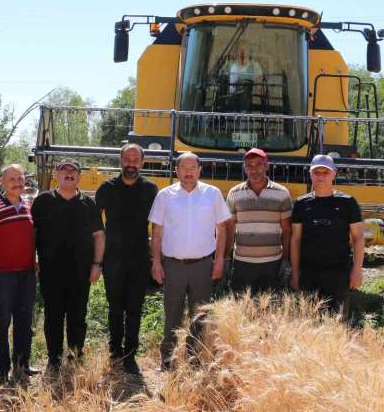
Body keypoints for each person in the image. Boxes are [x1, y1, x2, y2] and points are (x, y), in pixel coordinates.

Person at [148, 152, 231, 371]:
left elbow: (221, 229)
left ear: (199, 169)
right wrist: (156, 262)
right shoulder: (165, 196)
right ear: (176, 171)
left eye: (192, 167)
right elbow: (157, 231)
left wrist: (219, 260)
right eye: (183, 168)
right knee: (172, 314)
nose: (188, 172)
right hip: (173, 265)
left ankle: (194, 359)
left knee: (200, 316)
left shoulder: (212, 194)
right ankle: (168, 360)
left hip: (203, 265)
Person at [31, 158, 105, 372]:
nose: (69, 174)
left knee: (78, 315)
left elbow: (99, 236)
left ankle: (75, 355)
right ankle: (53, 357)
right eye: (64, 170)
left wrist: (97, 264)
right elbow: (32, 233)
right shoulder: (43, 201)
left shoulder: (88, 203)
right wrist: (32, 257)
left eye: (74, 171)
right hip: (50, 270)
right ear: (56, 175)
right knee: (53, 315)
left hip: (80, 271)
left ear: (79, 177)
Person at [95, 143, 158, 375]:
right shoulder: (106, 188)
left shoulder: (151, 189)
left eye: (135, 159)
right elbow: (94, 222)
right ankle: (115, 350)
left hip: (140, 258)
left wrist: (157, 257)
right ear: (120, 161)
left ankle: (131, 354)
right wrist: (97, 257)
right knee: (115, 308)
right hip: (112, 259)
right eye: (127, 158)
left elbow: (160, 224)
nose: (131, 163)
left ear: (142, 163)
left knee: (134, 307)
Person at [0, 164, 39, 385]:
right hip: (1, 275)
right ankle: (1, 369)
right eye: (12, 179)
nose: (17, 182)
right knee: (2, 322)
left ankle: (22, 365)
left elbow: (31, 238)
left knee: (24, 322)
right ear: (2, 182)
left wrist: (35, 261)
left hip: (26, 274)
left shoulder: (28, 205)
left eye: (20, 178)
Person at [290, 154, 365, 317]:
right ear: (310, 174)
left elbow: (358, 238)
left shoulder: (348, 203)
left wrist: (356, 271)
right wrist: (295, 272)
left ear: (334, 174)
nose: (321, 176)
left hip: (338, 273)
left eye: (326, 172)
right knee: (309, 320)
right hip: (309, 273)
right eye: (317, 172)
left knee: (338, 322)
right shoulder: (301, 204)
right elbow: (295, 240)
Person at [225, 148, 292, 296]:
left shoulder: (282, 193)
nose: (254, 170)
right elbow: (230, 228)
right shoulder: (234, 193)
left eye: (258, 165)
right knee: (242, 311)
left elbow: (287, 231)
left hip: (272, 264)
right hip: (242, 264)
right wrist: (226, 259)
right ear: (244, 168)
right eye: (249, 165)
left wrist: (286, 261)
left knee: (270, 313)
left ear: (267, 166)